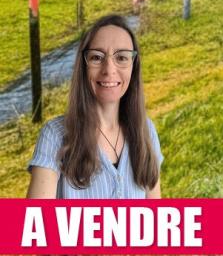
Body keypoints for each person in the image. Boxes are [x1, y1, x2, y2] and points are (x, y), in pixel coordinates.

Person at [25, 15, 162, 198]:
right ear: (83, 66)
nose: (109, 70)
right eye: (97, 57)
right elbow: (36, 216)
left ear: (133, 67)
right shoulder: (54, 136)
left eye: (122, 57)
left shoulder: (147, 131)